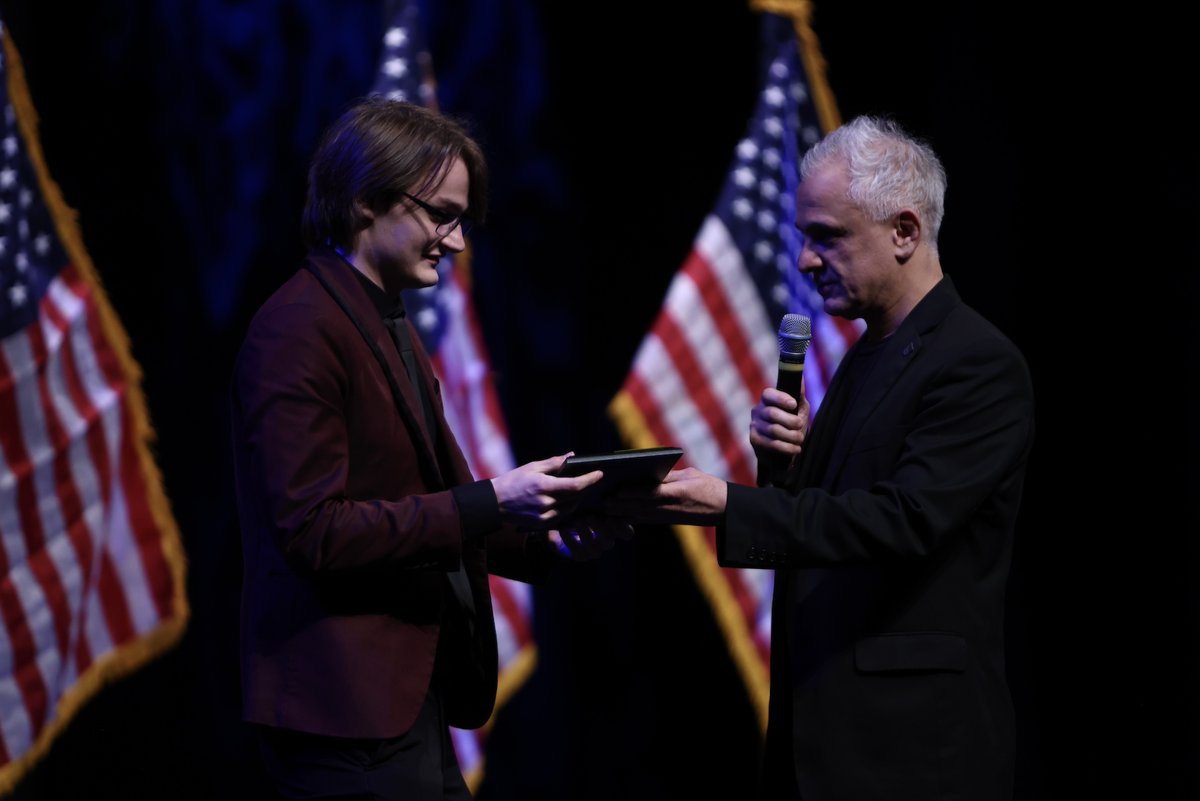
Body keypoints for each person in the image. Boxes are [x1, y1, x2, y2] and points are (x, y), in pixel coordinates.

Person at [609, 115, 1035, 800]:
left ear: (904, 232)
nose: (805, 259)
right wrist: (780, 467)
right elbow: (832, 516)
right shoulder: (868, 353)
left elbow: (904, 520)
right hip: (822, 737)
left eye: (827, 237)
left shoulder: (976, 363)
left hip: (911, 753)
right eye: (805, 237)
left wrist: (730, 503)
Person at [229, 96, 625, 800]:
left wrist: (553, 537)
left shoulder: (389, 324)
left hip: (408, 711)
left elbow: (435, 512)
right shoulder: (297, 329)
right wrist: (491, 498)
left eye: (462, 220)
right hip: (339, 720)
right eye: (441, 214)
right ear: (364, 204)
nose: (457, 240)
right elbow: (313, 530)